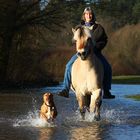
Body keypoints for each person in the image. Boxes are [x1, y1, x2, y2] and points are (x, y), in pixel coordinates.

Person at [58, 7, 115, 99]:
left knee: (107, 67)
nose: (88, 15)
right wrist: (79, 47)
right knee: (68, 66)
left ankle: (107, 91)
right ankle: (65, 89)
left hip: (95, 52)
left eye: (90, 14)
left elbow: (104, 40)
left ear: (93, 15)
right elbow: (74, 41)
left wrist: (97, 48)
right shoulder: (78, 28)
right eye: (86, 14)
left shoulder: (99, 28)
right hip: (81, 52)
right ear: (84, 15)